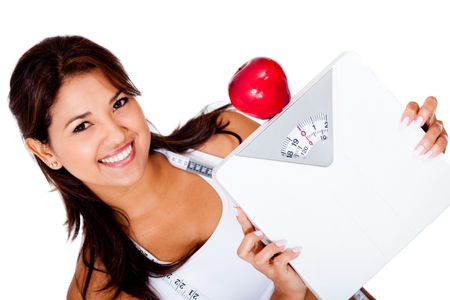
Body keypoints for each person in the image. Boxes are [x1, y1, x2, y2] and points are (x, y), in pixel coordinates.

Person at [8, 35, 448, 300]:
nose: (117, 134)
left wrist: (407, 146)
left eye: (119, 103)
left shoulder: (225, 137)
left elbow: (356, 203)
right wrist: (288, 293)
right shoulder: (100, 287)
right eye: (82, 126)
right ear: (45, 151)